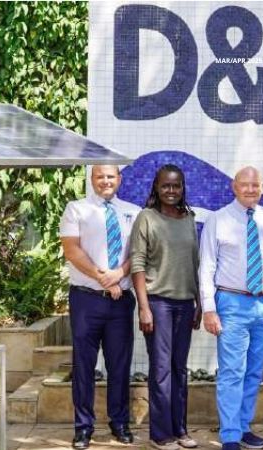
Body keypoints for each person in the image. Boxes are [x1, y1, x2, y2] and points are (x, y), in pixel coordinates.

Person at [199, 166, 263, 450]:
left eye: (255, 185)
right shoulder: (219, 219)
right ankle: (230, 435)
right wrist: (209, 309)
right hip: (232, 302)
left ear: (262, 187)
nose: (250, 189)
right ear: (234, 187)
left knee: (254, 369)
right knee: (232, 370)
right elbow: (207, 266)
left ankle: (244, 425)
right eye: (244, 184)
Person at [59, 164, 140, 449]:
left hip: (121, 302)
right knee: (84, 366)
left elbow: (139, 254)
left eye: (110, 176)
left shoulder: (133, 212)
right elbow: (71, 249)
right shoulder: (76, 209)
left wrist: (120, 274)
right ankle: (83, 427)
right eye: (99, 176)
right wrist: (104, 277)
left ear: (119, 179)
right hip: (86, 299)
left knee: (120, 366)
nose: (105, 181)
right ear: (92, 179)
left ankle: (119, 423)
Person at [129, 164, 201, 450]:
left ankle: (180, 430)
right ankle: (161, 435)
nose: (171, 191)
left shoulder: (189, 218)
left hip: (185, 304)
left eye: (176, 186)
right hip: (158, 304)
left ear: (183, 188)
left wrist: (199, 302)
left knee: (179, 369)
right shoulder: (146, 218)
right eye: (166, 186)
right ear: (156, 188)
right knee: (161, 370)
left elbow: (194, 264)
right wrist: (143, 308)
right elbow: (137, 264)